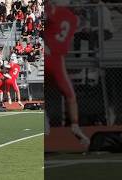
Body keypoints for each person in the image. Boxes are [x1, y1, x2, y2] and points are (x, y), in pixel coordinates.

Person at [45, 0, 90, 145]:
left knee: (44, 90)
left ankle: (44, 118)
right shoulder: (74, 19)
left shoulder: (57, 11)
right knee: (70, 96)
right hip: (56, 58)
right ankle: (75, 126)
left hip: (46, 54)